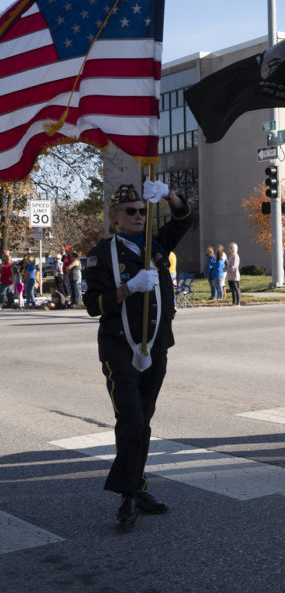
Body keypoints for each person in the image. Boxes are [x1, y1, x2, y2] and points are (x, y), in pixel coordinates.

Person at [83, 180, 192, 530]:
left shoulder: (155, 246)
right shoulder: (100, 254)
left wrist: (171, 196)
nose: (139, 216)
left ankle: (137, 485)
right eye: (131, 211)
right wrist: (127, 289)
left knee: (142, 419)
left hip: (156, 347)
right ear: (115, 218)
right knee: (130, 418)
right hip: (120, 348)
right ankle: (129, 495)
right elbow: (92, 305)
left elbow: (184, 221)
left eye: (143, 211)